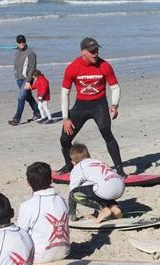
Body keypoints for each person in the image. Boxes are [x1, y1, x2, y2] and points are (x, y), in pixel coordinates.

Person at [57, 37, 126, 177]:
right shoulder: (73, 67)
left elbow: (115, 87)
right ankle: (69, 166)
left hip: (99, 105)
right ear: (83, 52)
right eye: (92, 51)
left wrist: (114, 105)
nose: (95, 54)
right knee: (64, 139)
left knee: (107, 133)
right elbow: (65, 93)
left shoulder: (104, 66)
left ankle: (119, 170)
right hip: (81, 106)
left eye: (97, 50)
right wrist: (65, 118)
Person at [17, 162, 70, 263]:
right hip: (64, 253)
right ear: (51, 180)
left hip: (39, 257)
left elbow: (21, 235)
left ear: (28, 182)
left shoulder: (27, 205)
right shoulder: (63, 200)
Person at [68, 143, 125, 223]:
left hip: (105, 188)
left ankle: (102, 210)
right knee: (97, 189)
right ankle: (113, 208)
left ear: (73, 161)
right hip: (120, 185)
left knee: (73, 194)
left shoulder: (78, 166)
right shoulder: (98, 161)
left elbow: (73, 189)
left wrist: (72, 214)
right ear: (88, 155)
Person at [8, 35, 40, 126]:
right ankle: (37, 113)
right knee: (28, 97)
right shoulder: (16, 52)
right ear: (17, 43)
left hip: (27, 79)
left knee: (21, 98)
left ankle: (16, 118)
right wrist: (15, 75)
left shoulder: (31, 53)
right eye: (19, 41)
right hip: (19, 79)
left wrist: (28, 81)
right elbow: (16, 65)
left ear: (25, 42)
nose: (21, 43)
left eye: (23, 41)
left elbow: (32, 68)